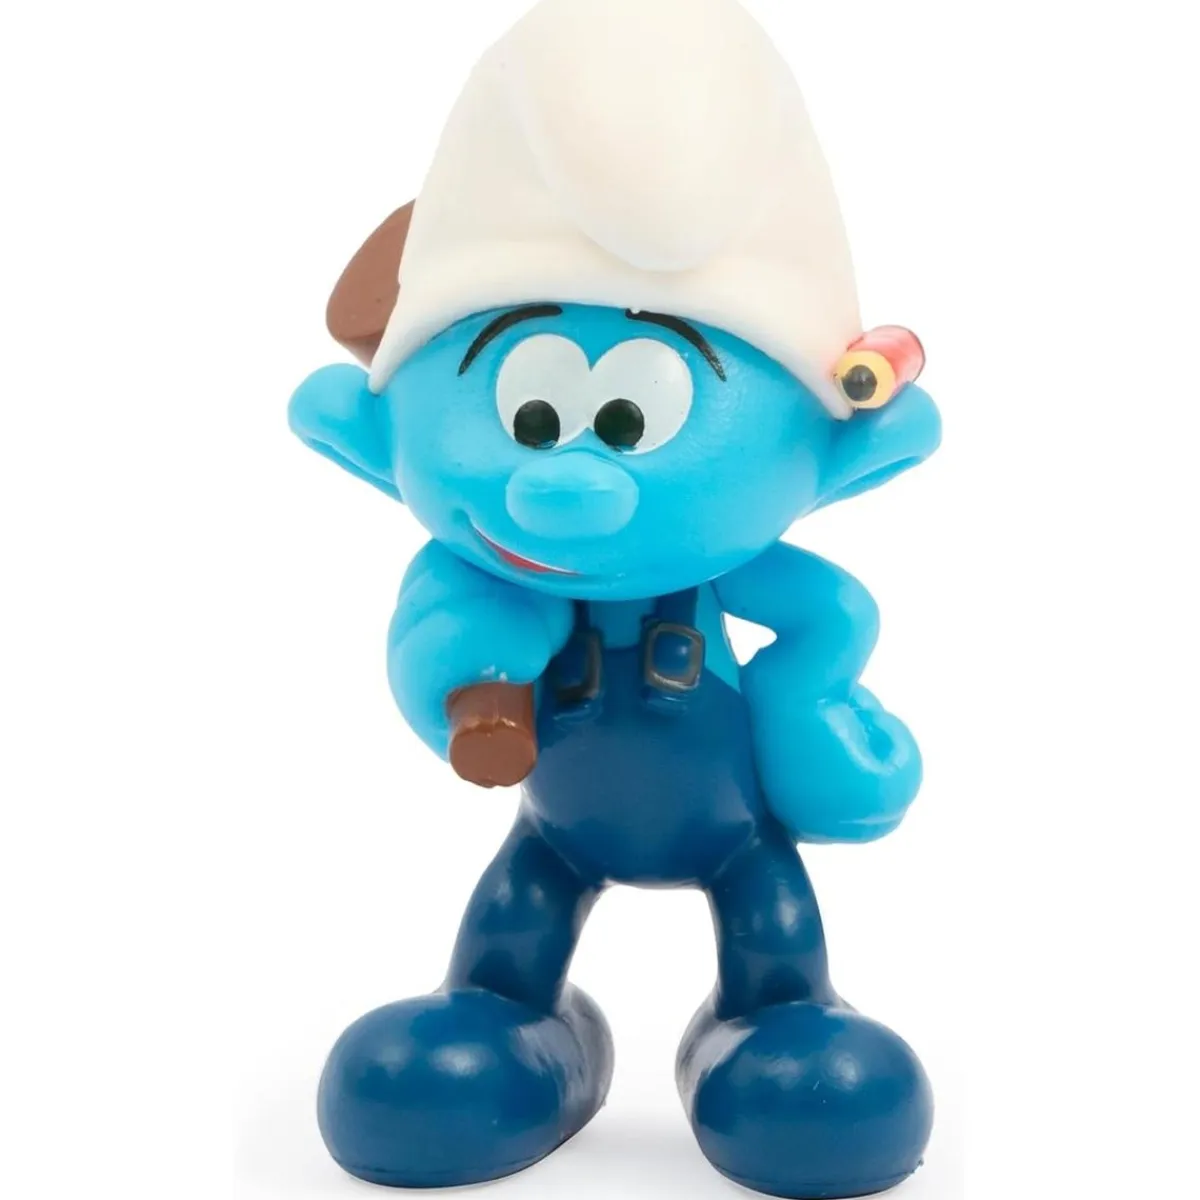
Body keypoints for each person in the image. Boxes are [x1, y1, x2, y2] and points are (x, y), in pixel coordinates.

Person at [289, 0, 942, 1194]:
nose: (565, 487)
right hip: (554, 831)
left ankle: (775, 1023)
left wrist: (816, 704)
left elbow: (829, 611)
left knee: (792, 1004)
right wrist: (473, 685)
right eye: (530, 416)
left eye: (634, 421)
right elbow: (452, 643)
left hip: (739, 834)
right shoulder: (486, 597)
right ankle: (506, 1021)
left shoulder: (735, 563)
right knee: (490, 972)